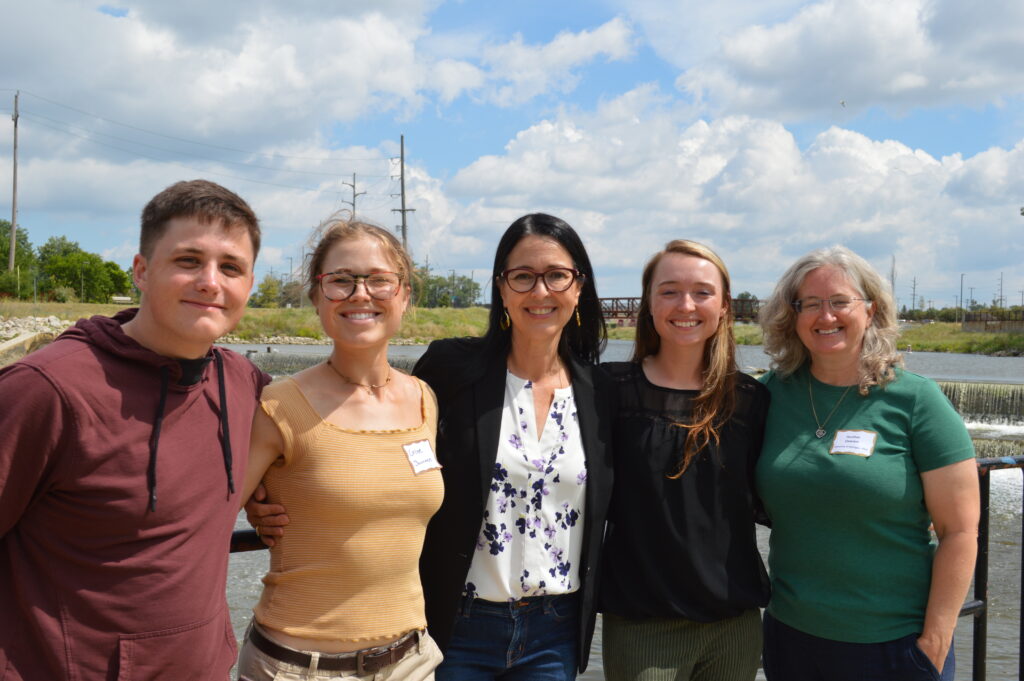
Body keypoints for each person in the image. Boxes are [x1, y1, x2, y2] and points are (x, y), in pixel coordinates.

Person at [248, 212, 614, 679]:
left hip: (553, 633)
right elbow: (373, 443)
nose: (540, 291)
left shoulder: (601, 392)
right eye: (522, 277)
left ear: (579, 286)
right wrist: (273, 492)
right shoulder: (450, 371)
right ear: (501, 288)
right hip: (458, 626)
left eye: (557, 276)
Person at [0, 179, 270, 681]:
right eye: (188, 260)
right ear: (141, 271)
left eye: (231, 267)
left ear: (249, 286)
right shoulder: (46, 390)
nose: (211, 282)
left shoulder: (242, 382)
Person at [756, 246, 979, 681]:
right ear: (792, 314)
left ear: (870, 309)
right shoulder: (768, 395)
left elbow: (960, 531)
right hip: (791, 638)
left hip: (895, 645)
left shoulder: (916, 400)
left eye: (840, 301)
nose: (826, 316)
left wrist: (935, 641)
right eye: (811, 304)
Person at [235, 218, 445, 681]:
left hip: (411, 663)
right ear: (316, 297)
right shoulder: (278, 406)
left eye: (379, 279)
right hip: (296, 669)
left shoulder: (424, 399)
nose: (360, 293)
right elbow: (206, 522)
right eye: (341, 281)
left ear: (405, 295)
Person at [599, 240, 770, 681]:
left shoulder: (751, 400)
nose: (686, 305)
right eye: (669, 291)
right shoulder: (608, 391)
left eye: (702, 292)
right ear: (649, 305)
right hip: (643, 627)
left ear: (725, 306)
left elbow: (779, 492)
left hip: (734, 624)